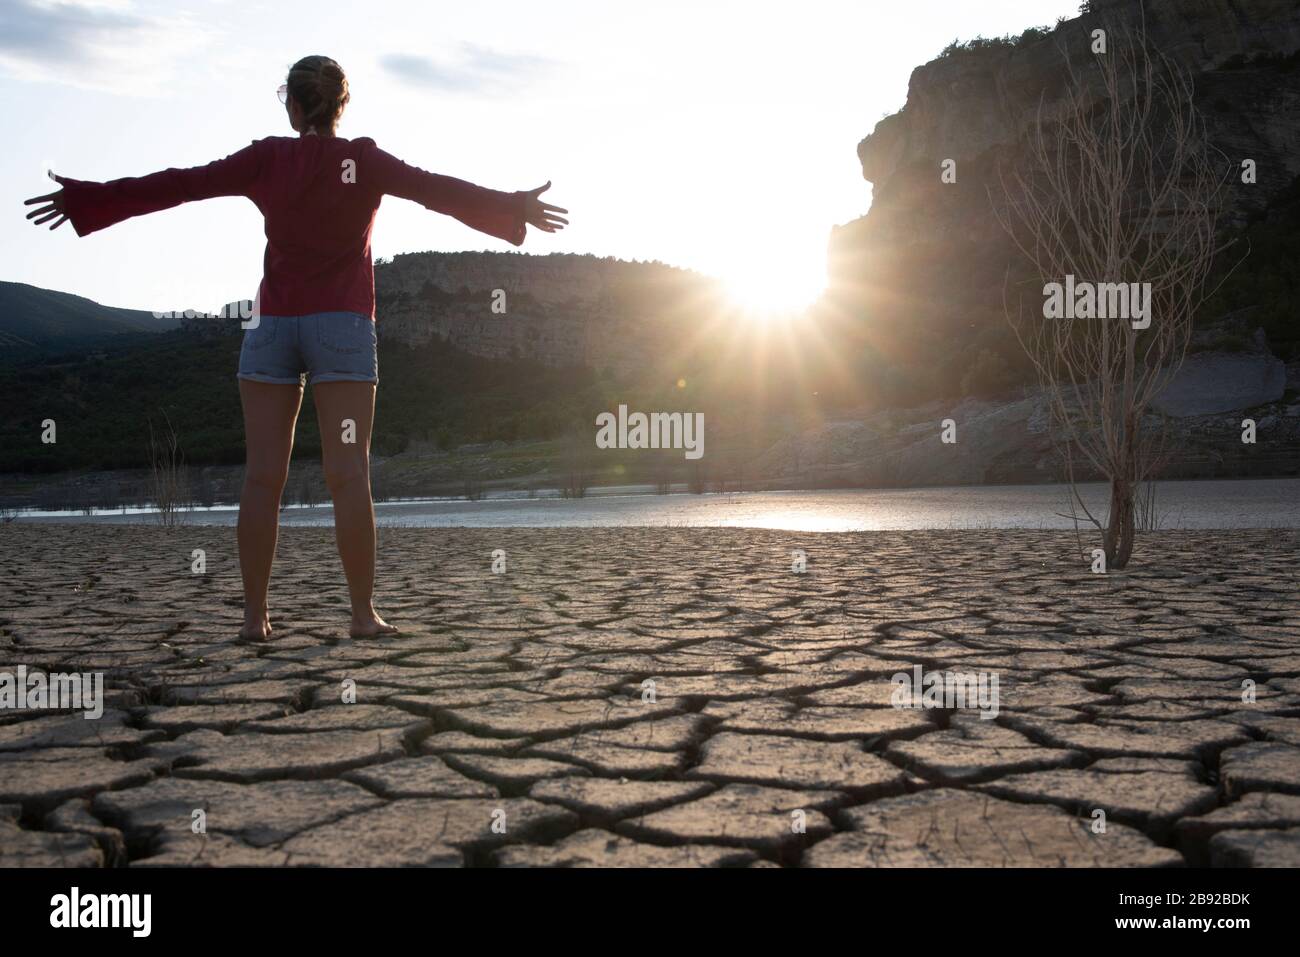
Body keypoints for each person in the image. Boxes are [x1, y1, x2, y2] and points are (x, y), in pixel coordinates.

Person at [24, 54, 568, 640]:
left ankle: (255, 620)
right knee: (348, 476)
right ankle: (362, 616)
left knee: (262, 478)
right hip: (342, 328)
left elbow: (180, 184)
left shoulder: (267, 159)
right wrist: (512, 208)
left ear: (295, 105)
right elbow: (435, 190)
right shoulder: (362, 160)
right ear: (340, 105)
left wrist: (91, 200)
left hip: (272, 329)